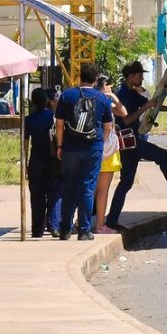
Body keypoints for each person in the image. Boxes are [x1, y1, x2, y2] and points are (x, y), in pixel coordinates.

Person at [105, 61, 167, 230]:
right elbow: (127, 119)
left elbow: (155, 104)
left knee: (126, 183)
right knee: (163, 156)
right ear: (131, 76)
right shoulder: (122, 94)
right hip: (129, 143)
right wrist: (145, 107)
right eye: (139, 75)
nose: (142, 77)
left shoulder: (131, 92)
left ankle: (111, 221)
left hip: (131, 143)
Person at [55, 62, 113, 241]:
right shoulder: (102, 99)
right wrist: (99, 143)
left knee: (69, 188)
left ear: (80, 76)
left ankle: (65, 229)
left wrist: (59, 145)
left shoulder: (67, 95)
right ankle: (84, 230)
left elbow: (59, 124)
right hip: (93, 148)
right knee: (87, 188)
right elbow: (108, 127)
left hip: (70, 148)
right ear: (96, 80)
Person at [24, 87, 62, 238]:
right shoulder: (52, 117)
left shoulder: (28, 119)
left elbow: (25, 144)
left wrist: (25, 164)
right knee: (54, 192)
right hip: (53, 161)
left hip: (36, 161)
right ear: (47, 101)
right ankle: (54, 226)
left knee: (37, 196)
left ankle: (37, 229)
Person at [94, 75, 127, 235]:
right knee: (103, 191)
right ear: (103, 86)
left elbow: (123, 111)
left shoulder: (91, 101)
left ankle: (82, 222)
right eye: (109, 87)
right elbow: (123, 112)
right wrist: (112, 97)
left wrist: (113, 97)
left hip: (91, 148)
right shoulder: (105, 104)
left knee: (89, 190)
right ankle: (100, 225)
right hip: (106, 151)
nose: (111, 90)